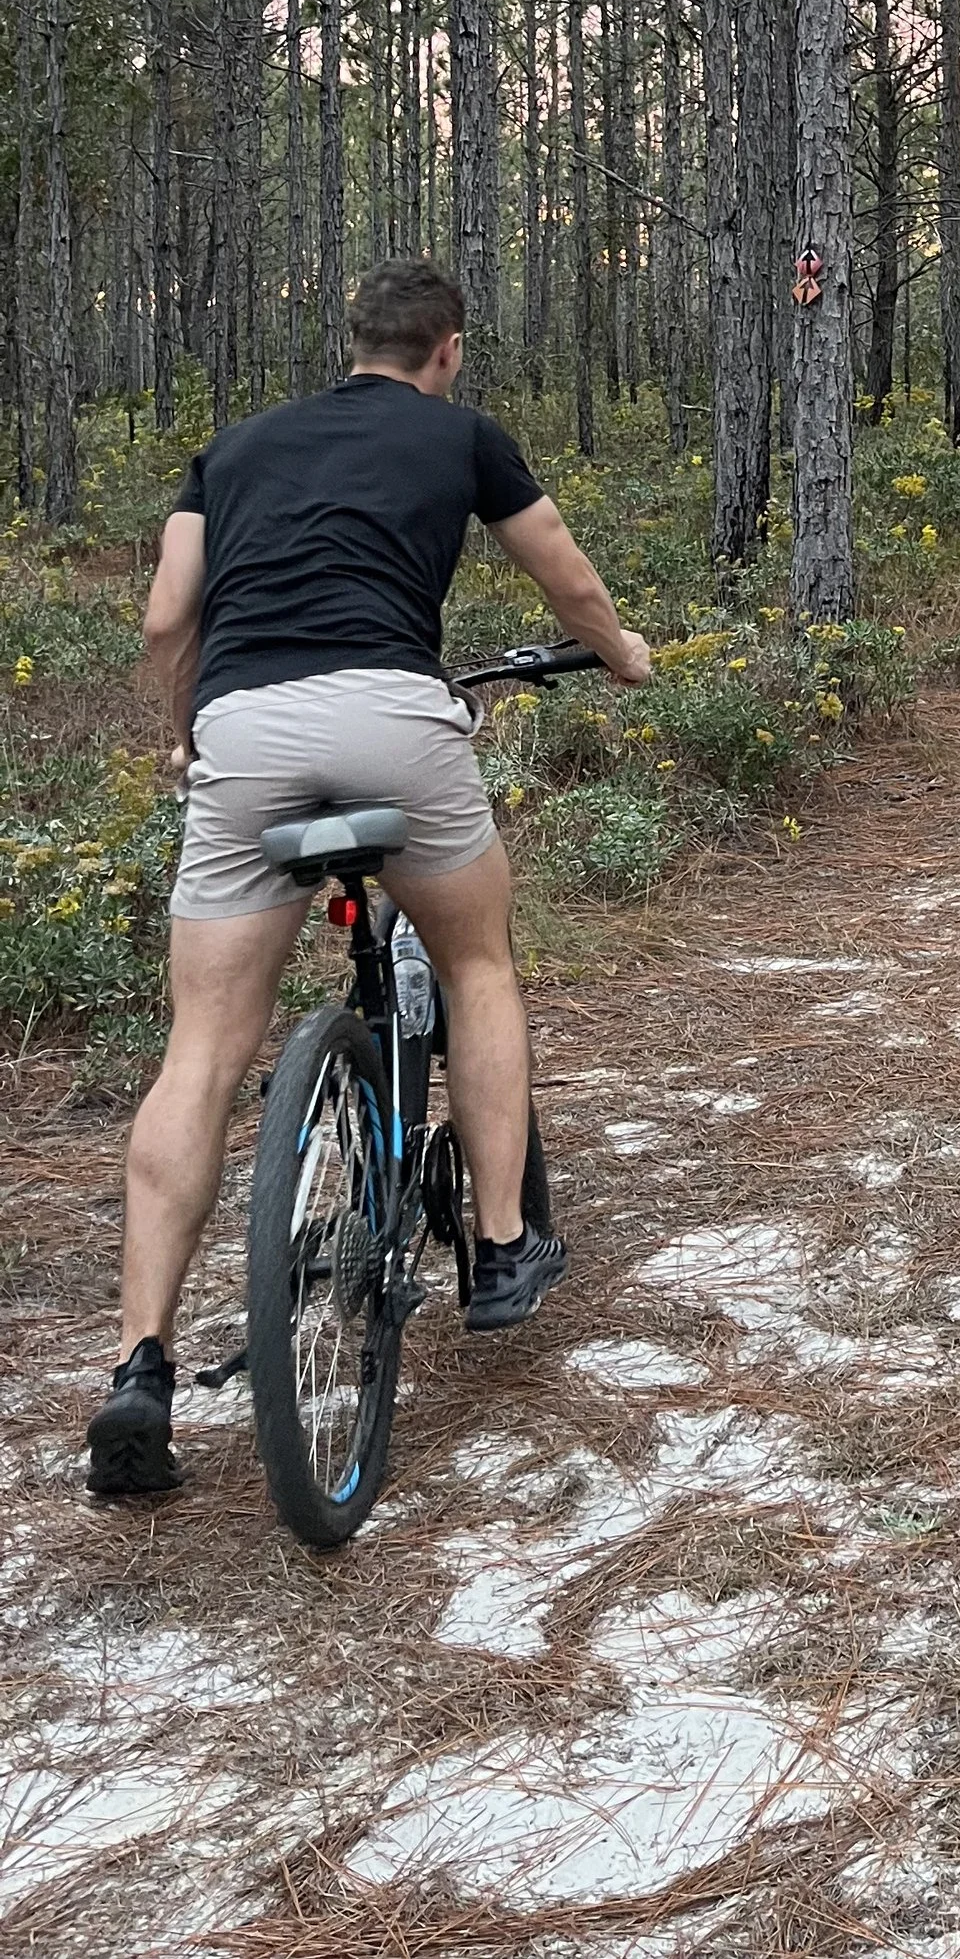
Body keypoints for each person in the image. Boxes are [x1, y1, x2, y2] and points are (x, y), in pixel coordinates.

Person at [84, 257, 653, 1500]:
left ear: (351, 344)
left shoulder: (230, 451)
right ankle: (500, 1248)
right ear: (446, 347)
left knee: (200, 1053)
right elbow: (562, 569)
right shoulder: (461, 436)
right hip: (393, 717)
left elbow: (163, 613)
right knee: (478, 960)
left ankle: (139, 1367)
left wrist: (189, 728)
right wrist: (620, 655)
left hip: (246, 735)